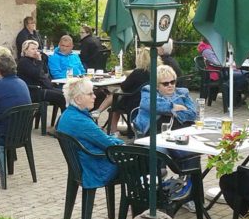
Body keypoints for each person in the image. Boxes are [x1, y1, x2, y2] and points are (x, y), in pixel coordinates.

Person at [134, 64, 200, 200]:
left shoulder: (183, 92)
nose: (170, 85)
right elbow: (151, 105)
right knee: (155, 155)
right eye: (165, 83)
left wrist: (173, 112)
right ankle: (154, 194)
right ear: (157, 85)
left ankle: (189, 194)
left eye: (172, 82)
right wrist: (174, 106)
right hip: (156, 136)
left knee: (193, 154)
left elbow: (193, 113)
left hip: (178, 135)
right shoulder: (148, 91)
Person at [56, 77, 123, 189]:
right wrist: (121, 142)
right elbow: (109, 145)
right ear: (78, 99)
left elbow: (103, 139)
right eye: (90, 94)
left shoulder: (67, 115)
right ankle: (138, 199)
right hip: (95, 169)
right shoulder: (81, 121)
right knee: (140, 163)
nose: (94, 96)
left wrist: (112, 139)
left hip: (84, 165)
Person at [94, 46, 150, 136]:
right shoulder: (155, 72)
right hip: (147, 100)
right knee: (117, 95)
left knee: (116, 98)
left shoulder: (138, 73)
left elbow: (124, 86)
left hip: (133, 102)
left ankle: (112, 129)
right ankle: (98, 112)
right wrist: (125, 72)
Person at [18, 39, 66, 115]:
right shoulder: (24, 62)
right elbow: (36, 74)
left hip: (43, 88)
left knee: (66, 94)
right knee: (61, 97)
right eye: (33, 49)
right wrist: (39, 61)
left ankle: (66, 118)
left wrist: (41, 59)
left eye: (36, 49)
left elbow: (44, 72)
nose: (35, 51)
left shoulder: (34, 60)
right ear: (25, 50)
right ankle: (65, 120)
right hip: (33, 91)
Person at [198, 38, 249, 103]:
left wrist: (226, 60)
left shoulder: (210, 48)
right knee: (246, 74)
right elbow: (217, 62)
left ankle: (234, 95)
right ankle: (233, 95)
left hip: (221, 71)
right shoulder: (207, 51)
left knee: (246, 74)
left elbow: (219, 59)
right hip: (217, 74)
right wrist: (226, 61)